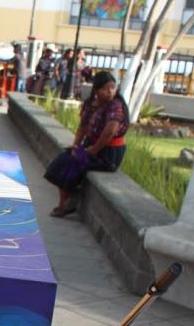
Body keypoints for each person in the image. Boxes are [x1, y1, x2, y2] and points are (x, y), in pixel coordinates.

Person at [44, 71, 130, 218]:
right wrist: (76, 146)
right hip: (90, 146)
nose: (110, 92)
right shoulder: (91, 104)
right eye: (105, 88)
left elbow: (109, 132)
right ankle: (71, 195)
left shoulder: (115, 105)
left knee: (74, 162)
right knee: (61, 161)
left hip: (107, 153)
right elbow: (83, 128)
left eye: (113, 88)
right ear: (96, 90)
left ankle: (64, 206)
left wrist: (94, 150)